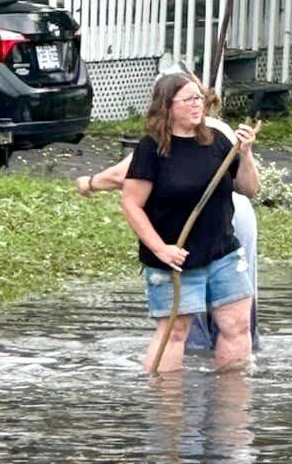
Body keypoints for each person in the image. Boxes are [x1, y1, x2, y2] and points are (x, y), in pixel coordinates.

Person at [75, 86, 261, 361]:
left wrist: (245, 154)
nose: (197, 104)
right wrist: (161, 249)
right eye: (188, 99)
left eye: (199, 98)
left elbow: (250, 189)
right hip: (175, 256)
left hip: (223, 251)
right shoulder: (152, 148)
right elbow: (130, 201)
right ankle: (167, 399)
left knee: (237, 325)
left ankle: (232, 399)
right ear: (167, 106)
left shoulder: (219, 138)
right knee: (175, 331)